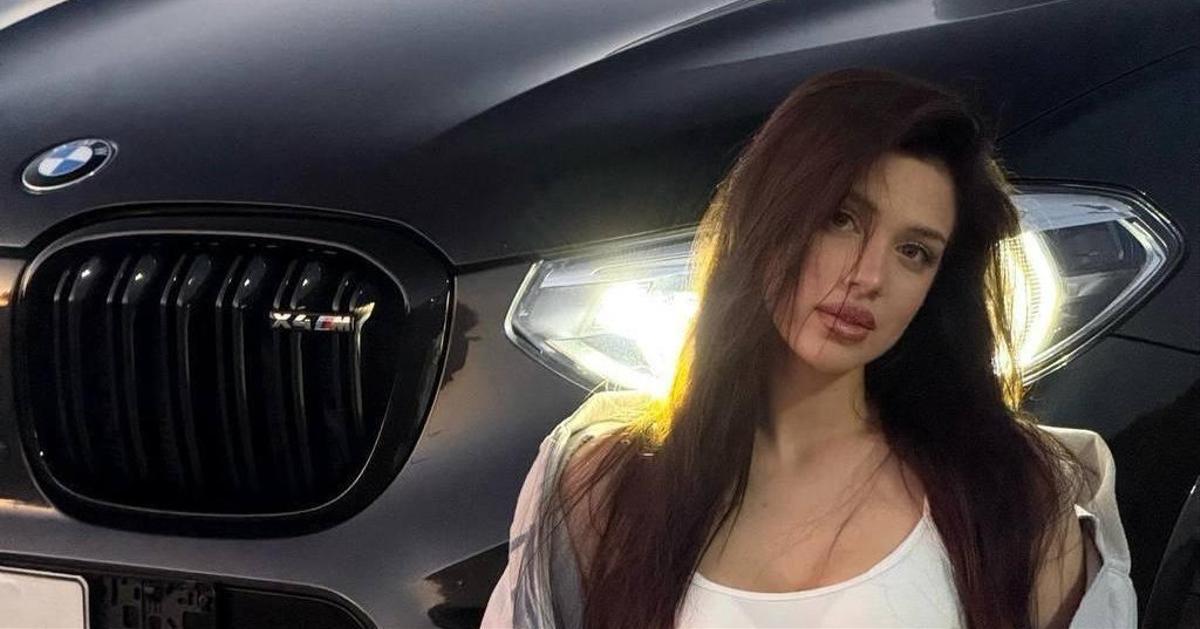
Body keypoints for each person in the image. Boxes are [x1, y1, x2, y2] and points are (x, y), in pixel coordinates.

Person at [481, 67, 1136, 628]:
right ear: (769, 214)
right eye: (841, 219)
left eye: (914, 251)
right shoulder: (606, 487)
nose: (869, 276)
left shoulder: (1014, 496)